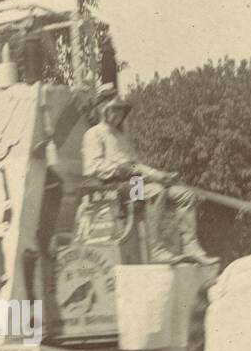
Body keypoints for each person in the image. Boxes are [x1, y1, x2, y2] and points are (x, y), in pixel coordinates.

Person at [80, 86, 214, 266]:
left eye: (121, 110)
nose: (119, 114)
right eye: (114, 109)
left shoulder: (122, 136)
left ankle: (190, 246)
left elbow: (137, 164)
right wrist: (123, 169)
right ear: (102, 109)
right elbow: (93, 168)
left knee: (185, 194)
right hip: (111, 188)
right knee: (155, 191)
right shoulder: (93, 134)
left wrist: (160, 175)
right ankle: (156, 250)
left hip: (132, 183)